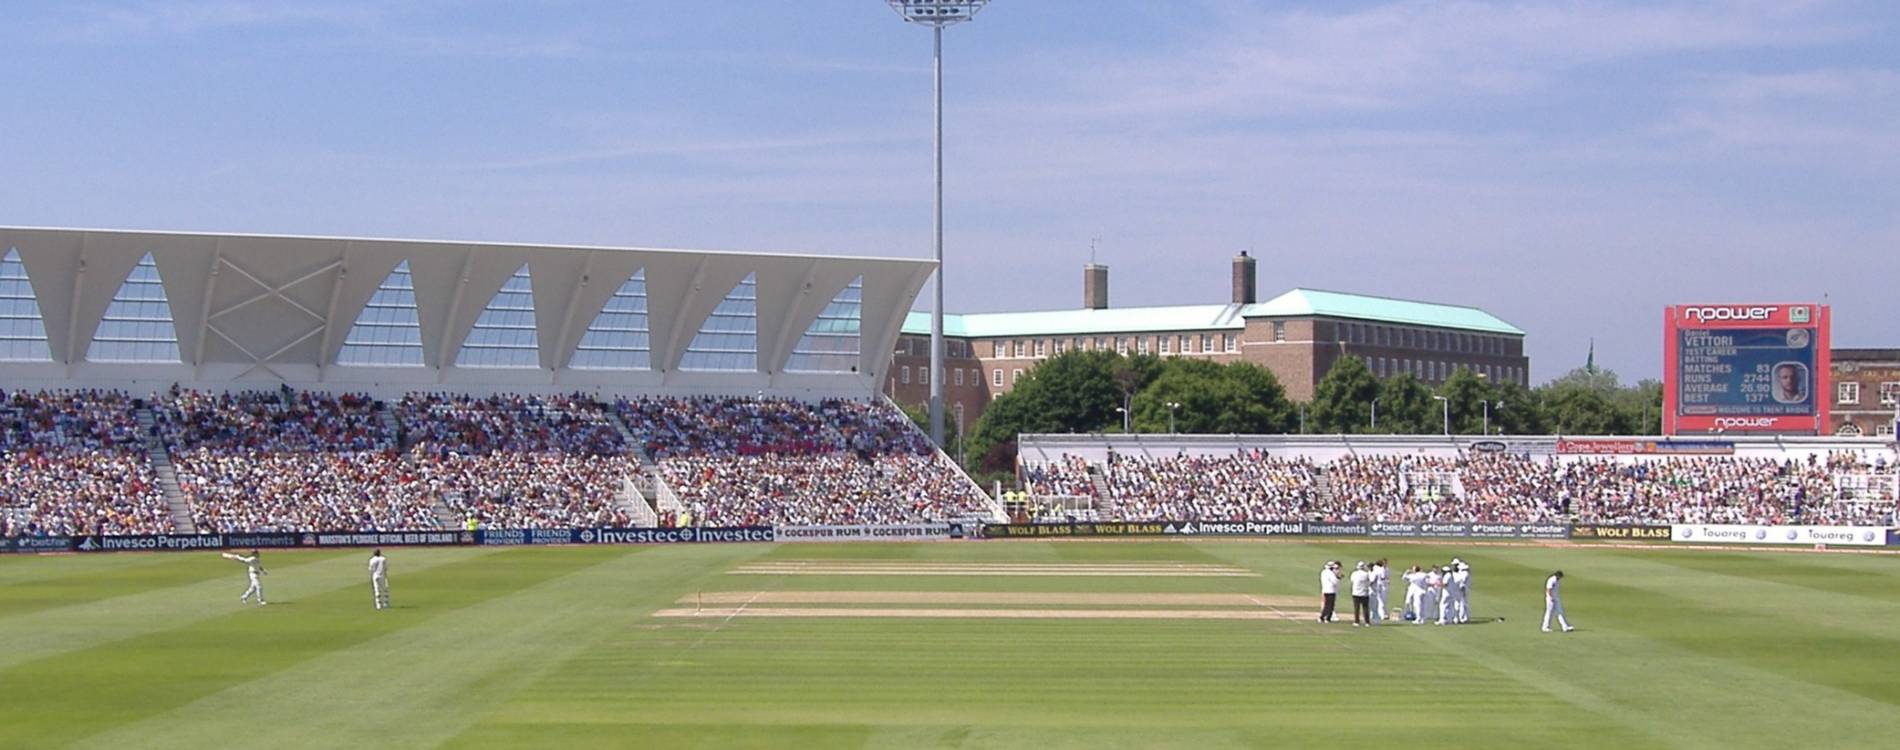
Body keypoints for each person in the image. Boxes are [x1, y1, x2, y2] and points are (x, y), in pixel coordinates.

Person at [1348, 561, 1373, 627]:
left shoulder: (1354, 573)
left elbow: (1352, 581)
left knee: (1356, 608)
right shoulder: (1366, 574)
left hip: (1356, 593)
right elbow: (1369, 582)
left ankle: (1356, 621)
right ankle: (1367, 622)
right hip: (1364, 593)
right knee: (1365, 608)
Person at [1370, 558, 1389, 624]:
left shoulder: (1376, 568)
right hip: (1381, 586)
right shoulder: (1381, 569)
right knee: (1381, 601)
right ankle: (1382, 615)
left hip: (1378, 586)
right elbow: (1383, 577)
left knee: (1378, 600)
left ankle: (1378, 614)